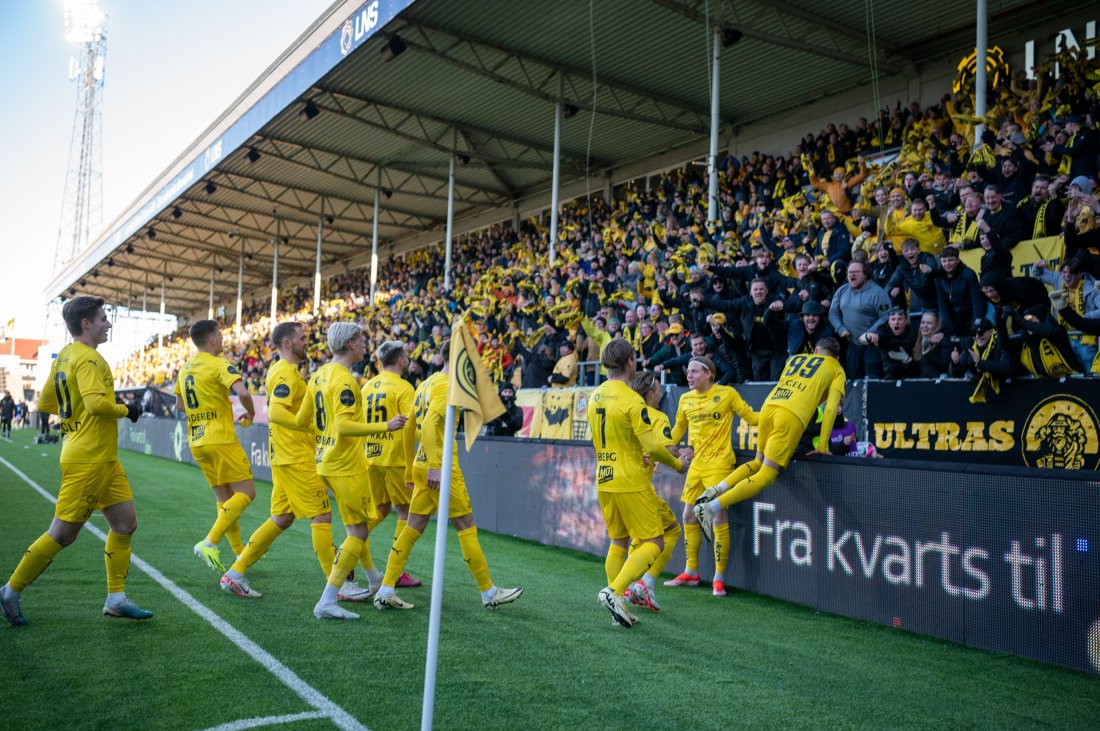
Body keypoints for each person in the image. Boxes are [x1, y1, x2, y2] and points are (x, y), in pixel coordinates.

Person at [1, 296, 149, 625]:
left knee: (125, 525)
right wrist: (129, 410)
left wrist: (75, 421)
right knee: (63, 534)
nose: (108, 324)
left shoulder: (66, 356)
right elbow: (97, 405)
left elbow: (47, 402)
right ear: (86, 324)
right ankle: (10, 591)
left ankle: (116, 598)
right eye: (102, 319)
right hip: (89, 460)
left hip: (101, 458)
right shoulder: (90, 359)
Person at [218, 322, 370, 602]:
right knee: (322, 515)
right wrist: (310, 428)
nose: (306, 342)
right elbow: (275, 412)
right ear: (287, 344)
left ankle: (235, 572)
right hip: (296, 457)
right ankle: (336, 587)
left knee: (281, 518)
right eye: (301, 338)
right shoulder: (287, 373)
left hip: (283, 455)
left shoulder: (283, 371)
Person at [372, 349, 522, 612]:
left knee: (413, 526)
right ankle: (489, 592)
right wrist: (434, 467)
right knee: (465, 525)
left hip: (421, 464)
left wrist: (411, 468)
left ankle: (386, 588)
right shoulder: (446, 387)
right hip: (440, 467)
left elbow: (408, 427)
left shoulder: (426, 384)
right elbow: (428, 426)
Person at [295, 322, 408, 620]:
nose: (364, 344)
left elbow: (301, 420)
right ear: (349, 345)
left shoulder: (318, 375)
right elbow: (345, 427)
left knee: (355, 526)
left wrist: (325, 435)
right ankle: (328, 599)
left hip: (326, 461)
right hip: (345, 465)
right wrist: (386, 425)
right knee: (357, 531)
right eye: (360, 340)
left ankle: (372, 579)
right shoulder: (344, 380)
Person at [692, 338, 847, 545]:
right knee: (766, 475)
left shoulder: (797, 358)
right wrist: (821, 446)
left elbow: (796, 387)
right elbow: (830, 408)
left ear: (816, 350)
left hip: (769, 406)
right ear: (837, 357)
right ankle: (710, 508)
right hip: (790, 416)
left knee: (757, 462)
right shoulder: (837, 369)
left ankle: (715, 490)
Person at [588, 340, 690, 628]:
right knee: (654, 541)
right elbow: (654, 448)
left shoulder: (595, 395)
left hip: (604, 478)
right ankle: (614, 592)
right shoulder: (633, 400)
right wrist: (679, 465)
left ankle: (616, 605)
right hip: (630, 479)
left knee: (619, 542)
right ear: (630, 361)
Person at [665, 356, 757, 597]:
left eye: (695, 371)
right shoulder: (685, 399)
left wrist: (776, 416)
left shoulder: (726, 394)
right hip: (696, 465)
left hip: (719, 463)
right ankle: (691, 572)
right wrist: (660, 446)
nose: (689, 375)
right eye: (689, 372)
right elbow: (677, 430)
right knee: (688, 515)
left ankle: (719, 577)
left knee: (717, 515)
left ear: (709, 374)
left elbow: (752, 418)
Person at [174, 320, 256, 574]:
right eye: (220, 335)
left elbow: (178, 405)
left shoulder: (185, 369)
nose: (222, 339)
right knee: (247, 493)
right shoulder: (219, 364)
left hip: (197, 440)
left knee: (224, 500)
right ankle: (209, 542)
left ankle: (240, 552)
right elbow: (242, 392)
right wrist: (250, 414)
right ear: (211, 340)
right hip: (219, 438)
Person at [622, 371, 685, 614]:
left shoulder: (628, 412)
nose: (661, 393)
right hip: (641, 488)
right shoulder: (657, 417)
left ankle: (628, 587)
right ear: (650, 394)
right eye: (659, 390)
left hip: (619, 483)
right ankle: (645, 583)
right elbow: (668, 448)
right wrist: (683, 457)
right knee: (671, 531)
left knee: (639, 537)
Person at [361, 339, 422, 590]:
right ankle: (395, 572)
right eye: (406, 356)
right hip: (395, 459)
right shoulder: (404, 387)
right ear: (400, 360)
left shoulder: (367, 387)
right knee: (406, 514)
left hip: (371, 456)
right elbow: (412, 426)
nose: (407, 359)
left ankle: (350, 549)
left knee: (380, 508)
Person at [829, 261, 891, 377]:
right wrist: (840, 328)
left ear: (865, 274)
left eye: (856, 272)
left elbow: (886, 315)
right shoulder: (842, 290)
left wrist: (870, 332)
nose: (852, 275)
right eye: (850, 272)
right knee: (853, 380)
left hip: (873, 345)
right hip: (852, 344)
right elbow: (833, 313)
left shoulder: (878, 292)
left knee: (874, 379)